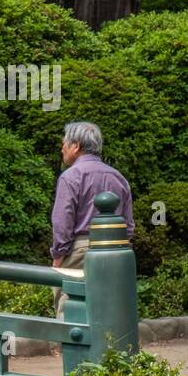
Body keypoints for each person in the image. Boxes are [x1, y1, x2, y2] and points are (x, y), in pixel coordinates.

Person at [50, 121, 134, 317]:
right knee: (109, 306)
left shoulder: (71, 176)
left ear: (76, 146)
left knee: (70, 304)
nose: (62, 148)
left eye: (65, 143)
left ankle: (69, 348)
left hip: (79, 249)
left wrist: (58, 255)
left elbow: (63, 220)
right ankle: (109, 347)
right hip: (115, 249)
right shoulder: (118, 177)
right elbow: (128, 226)